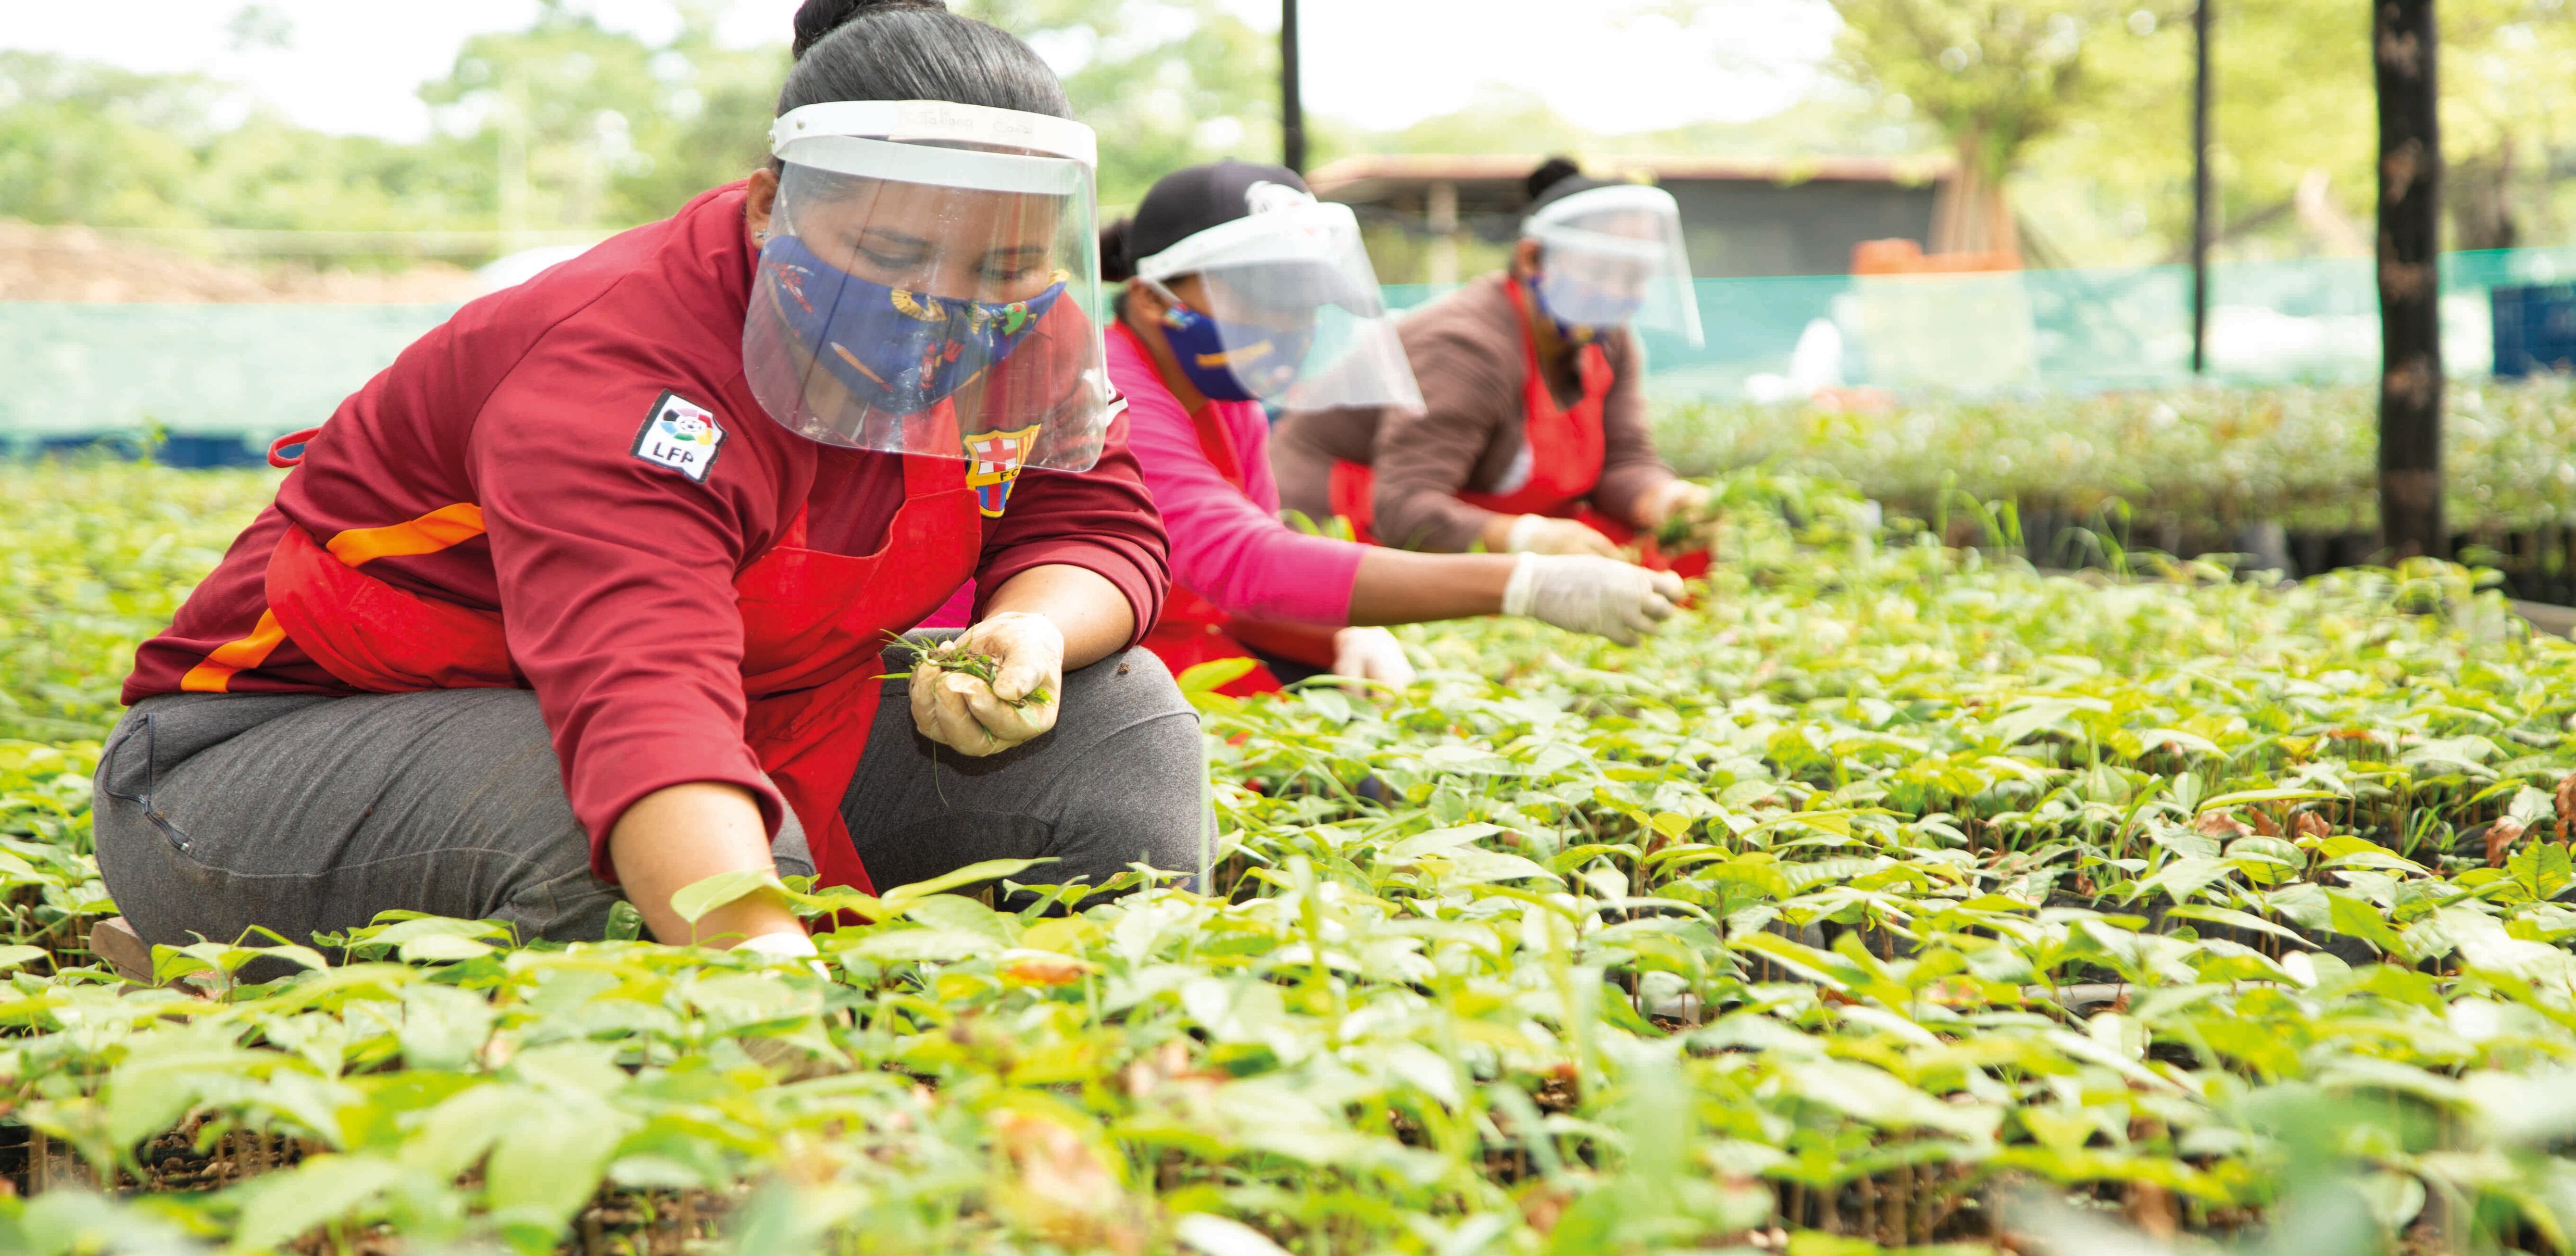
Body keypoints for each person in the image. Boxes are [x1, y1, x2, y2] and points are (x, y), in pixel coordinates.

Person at [92, 0, 1205, 962]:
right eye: (895, 256)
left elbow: (1088, 510)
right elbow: (645, 697)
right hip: (259, 760)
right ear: (774, 206)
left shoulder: (1022, 330)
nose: (946, 307)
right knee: (615, 827)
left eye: (1003, 267)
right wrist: (770, 992)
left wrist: (1036, 628)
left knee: (1120, 730)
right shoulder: (614, 361)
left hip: (753, 721)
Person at [1077, 160, 1688, 696]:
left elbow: (1234, 589)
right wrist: (1526, 582)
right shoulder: (1118, 394)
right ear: (1152, 298)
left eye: (1304, 297)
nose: (1290, 321)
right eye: (1261, 292)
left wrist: (1339, 637)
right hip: (1099, 671)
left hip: (1184, 650)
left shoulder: (1225, 394)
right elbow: (1245, 564)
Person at [1272, 158, 1717, 575]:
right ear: (1531, 260)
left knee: (1667, 556)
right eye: (1601, 273)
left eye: (1635, 278)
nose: (1620, 293)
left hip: (1461, 518)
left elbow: (1623, 461)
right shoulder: (1465, 348)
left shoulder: (1606, 339)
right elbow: (1405, 508)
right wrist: (1531, 537)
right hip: (1336, 530)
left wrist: (1664, 499)